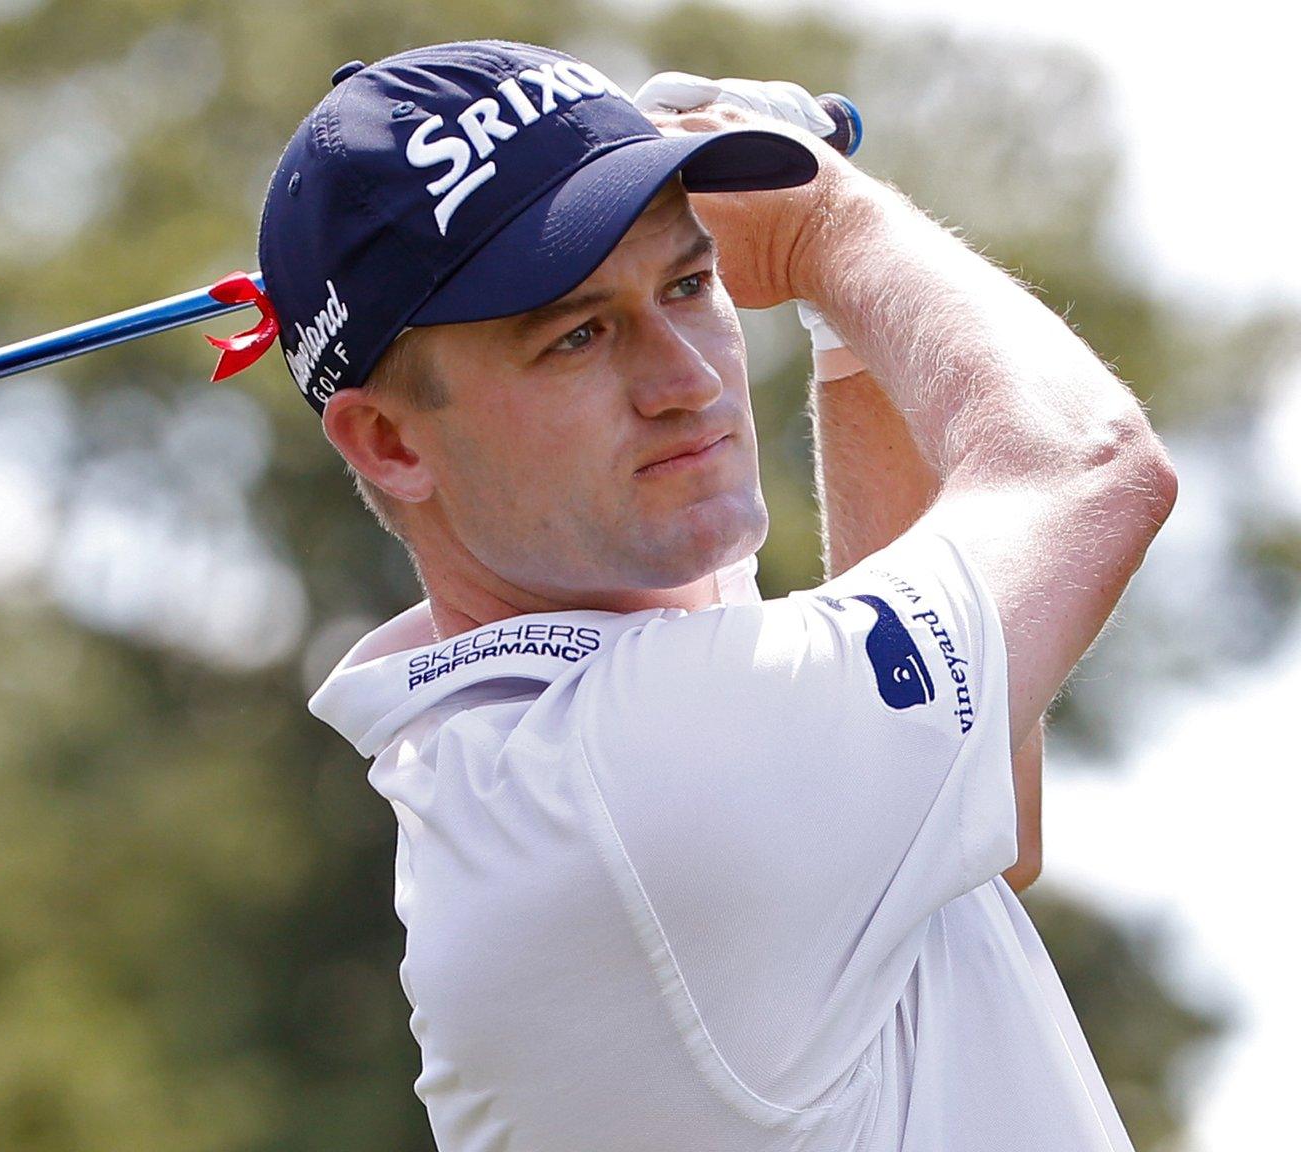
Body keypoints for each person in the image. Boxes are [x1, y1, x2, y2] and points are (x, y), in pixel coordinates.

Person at [237, 40, 1175, 1151]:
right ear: (390, 441)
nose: (685, 380)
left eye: (689, 283)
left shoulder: (545, 744)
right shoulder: (624, 784)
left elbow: (981, 831)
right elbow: (1088, 465)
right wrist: (828, 225)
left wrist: (844, 326)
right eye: (577, 335)